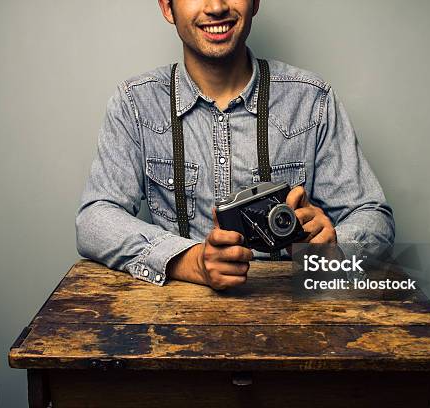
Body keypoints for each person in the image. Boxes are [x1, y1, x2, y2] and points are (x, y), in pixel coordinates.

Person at [75, 0, 395, 290]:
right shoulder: (135, 103)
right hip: (175, 322)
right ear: (167, 7)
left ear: (255, 2)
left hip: (294, 318)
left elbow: (374, 217)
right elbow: (94, 219)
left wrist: (333, 250)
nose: (216, 7)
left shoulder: (312, 100)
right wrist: (189, 262)